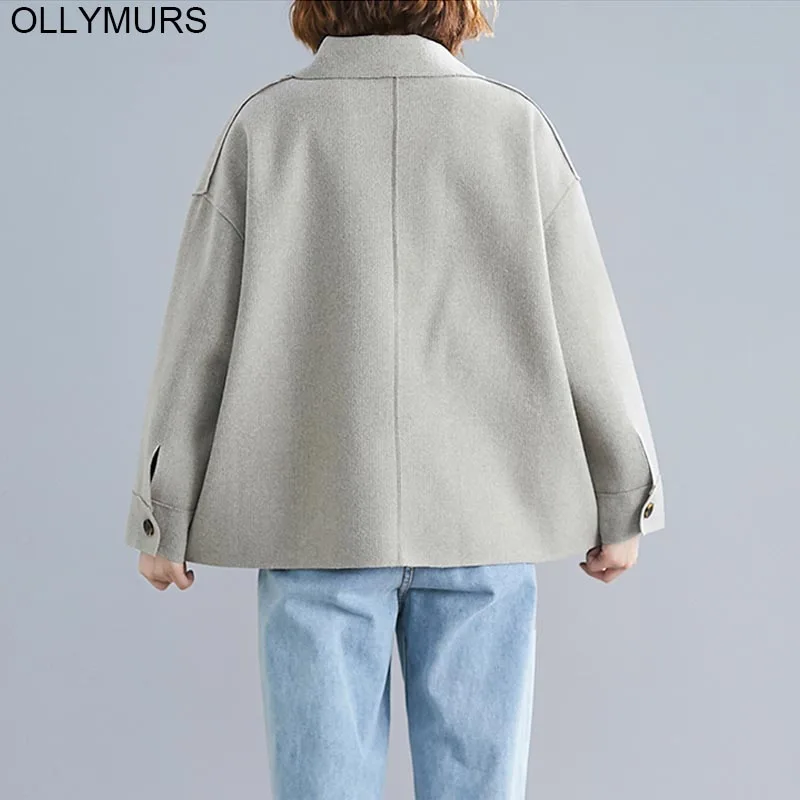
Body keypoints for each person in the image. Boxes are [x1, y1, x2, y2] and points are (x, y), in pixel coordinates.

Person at [123, 1, 666, 797]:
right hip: (484, 522)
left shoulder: (265, 128)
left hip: (318, 520)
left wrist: (162, 512)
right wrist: (625, 499)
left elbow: (200, 331)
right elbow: (587, 327)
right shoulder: (515, 128)